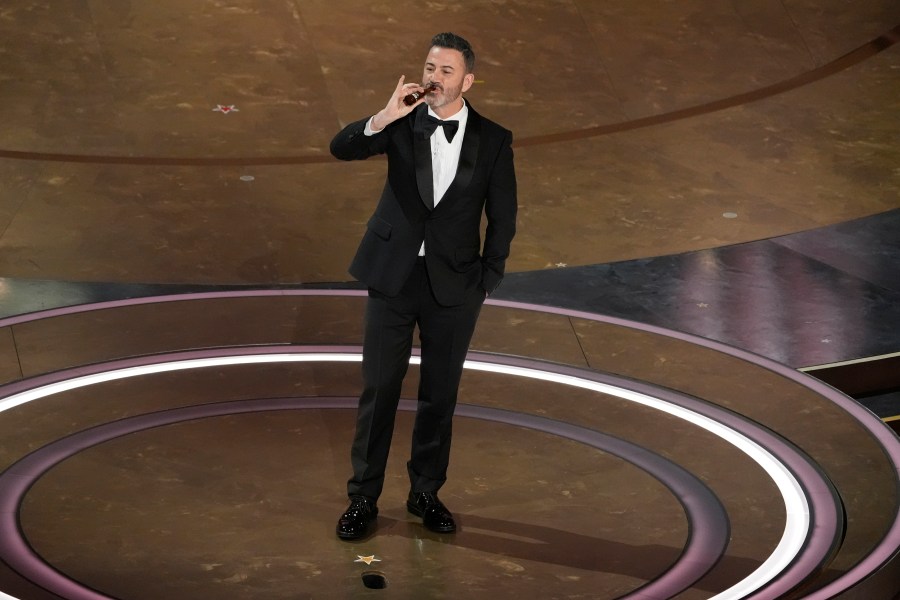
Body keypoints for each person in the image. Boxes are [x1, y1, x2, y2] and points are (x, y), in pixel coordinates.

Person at [329, 32, 517, 540]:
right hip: (393, 276)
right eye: (430, 67)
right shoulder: (401, 121)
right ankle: (363, 498)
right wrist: (382, 117)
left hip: (454, 286)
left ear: (468, 80)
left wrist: (486, 279)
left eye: (446, 71)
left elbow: (503, 217)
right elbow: (341, 149)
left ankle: (425, 493)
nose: (434, 78)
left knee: (440, 395)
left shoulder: (495, 139)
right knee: (380, 389)